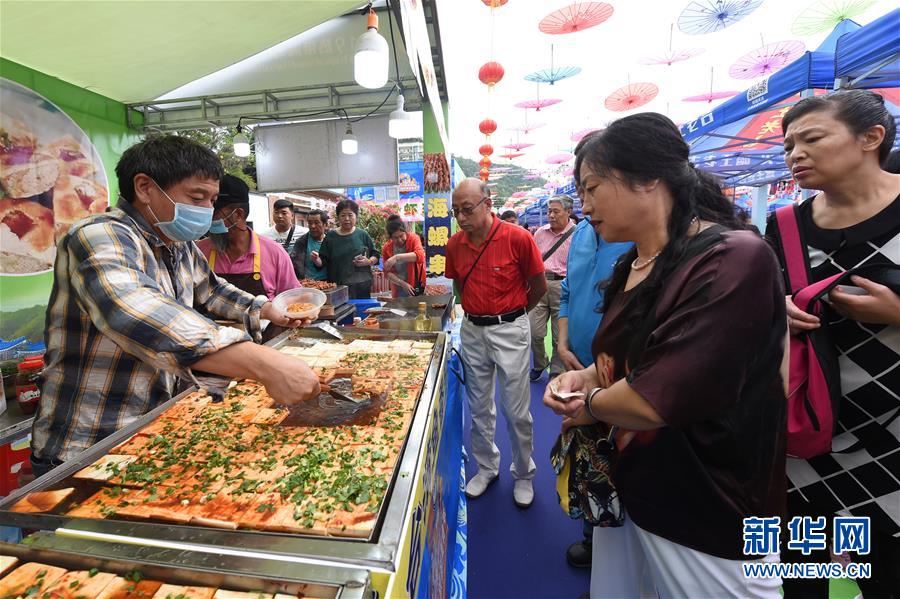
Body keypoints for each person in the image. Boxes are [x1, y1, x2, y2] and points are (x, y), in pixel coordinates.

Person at [545, 113, 787, 598]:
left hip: (708, 502)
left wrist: (587, 408)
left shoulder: (731, 258)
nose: (585, 205)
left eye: (593, 187)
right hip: (635, 486)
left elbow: (660, 397)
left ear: (648, 178)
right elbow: (630, 358)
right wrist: (588, 377)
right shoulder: (634, 262)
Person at [31, 136, 320, 477]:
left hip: (151, 432)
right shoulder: (99, 236)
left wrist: (267, 309)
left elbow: (212, 290)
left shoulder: (177, 245)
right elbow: (139, 313)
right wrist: (265, 364)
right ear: (144, 187)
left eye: (212, 200)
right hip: (89, 445)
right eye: (197, 197)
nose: (207, 210)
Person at [766, 90, 900, 597]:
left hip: (894, 432)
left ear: (871, 138)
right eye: (787, 146)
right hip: (810, 427)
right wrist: (774, 307)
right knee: (801, 572)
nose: (794, 154)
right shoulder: (784, 226)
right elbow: (764, 302)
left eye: (811, 139)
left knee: (887, 573)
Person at [445, 178, 546, 508]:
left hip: (510, 328)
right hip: (473, 329)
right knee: (479, 407)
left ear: (488, 204)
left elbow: (538, 286)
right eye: (456, 210)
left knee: (516, 409)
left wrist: (514, 317)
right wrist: (477, 312)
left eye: (467, 209)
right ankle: (487, 467)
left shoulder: (518, 238)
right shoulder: (455, 244)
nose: (461, 217)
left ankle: (524, 473)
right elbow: (459, 285)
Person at [557, 183, 633, 571]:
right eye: (581, 190)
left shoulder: (634, 235)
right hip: (580, 365)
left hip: (625, 374)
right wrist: (563, 336)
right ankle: (593, 533)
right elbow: (569, 289)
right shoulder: (583, 232)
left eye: (593, 188)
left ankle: (616, 551)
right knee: (588, 456)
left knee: (623, 458)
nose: (585, 204)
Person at [197, 175, 299, 301]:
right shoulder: (197, 252)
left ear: (239, 214)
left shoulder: (275, 253)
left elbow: (292, 301)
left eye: (215, 213)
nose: (208, 218)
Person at [528, 194, 576, 382]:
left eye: (556, 211)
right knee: (534, 332)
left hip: (564, 285)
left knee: (559, 335)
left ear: (568, 212)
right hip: (540, 284)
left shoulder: (578, 233)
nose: (551, 215)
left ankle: (556, 369)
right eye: (549, 211)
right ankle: (540, 363)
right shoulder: (540, 232)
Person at [312, 198, 378, 299]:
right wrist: (316, 259)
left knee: (362, 312)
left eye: (350, 215)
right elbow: (322, 261)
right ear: (338, 217)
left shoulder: (362, 234)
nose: (347, 218)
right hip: (337, 287)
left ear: (356, 216)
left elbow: (376, 255)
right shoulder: (330, 236)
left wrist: (368, 261)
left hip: (361, 286)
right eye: (343, 215)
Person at [381, 214, 426, 297]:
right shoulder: (386, 248)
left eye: (401, 236)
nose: (399, 240)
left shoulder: (413, 239)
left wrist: (396, 257)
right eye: (395, 237)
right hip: (399, 288)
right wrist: (402, 284)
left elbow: (420, 256)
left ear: (405, 231)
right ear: (390, 237)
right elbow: (387, 272)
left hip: (416, 286)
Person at [291, 209, 329, 281]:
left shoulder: (331, 241)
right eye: (310, 223)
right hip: (308, 284)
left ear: (326, 225)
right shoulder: (301, 242)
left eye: (317, 223)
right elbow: (296, 265)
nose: (313, 226)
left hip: (329, 283)